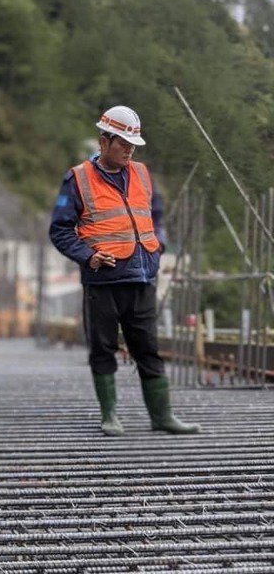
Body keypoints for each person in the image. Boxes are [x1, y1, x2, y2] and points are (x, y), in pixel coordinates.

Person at [49, 105, 200, 436]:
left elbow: (156, 216)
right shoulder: (77, 180)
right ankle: (110, 415)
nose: (129, 151)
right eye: (123, 144)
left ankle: (162, 416)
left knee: (147, 348)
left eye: (133, 145)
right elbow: (60, 230)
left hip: (142, 277)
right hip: (103, 281)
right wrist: (88, 256)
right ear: (104, 142)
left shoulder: (143, 175)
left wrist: (158, 246)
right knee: (102, 348)